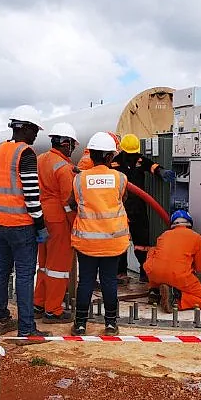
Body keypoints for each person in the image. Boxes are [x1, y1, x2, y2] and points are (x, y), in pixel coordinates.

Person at [0, 105, 49, 337]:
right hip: (22, 224)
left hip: (1, 221)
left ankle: (1, 315)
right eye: (35, 130)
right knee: (25, 275)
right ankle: (26, 329)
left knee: (2, 269)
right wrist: (41, 224)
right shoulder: (25, 154)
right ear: (25, 128)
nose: (35, 136)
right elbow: (32, 195)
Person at [68, 132, 129, 336]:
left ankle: (80, 325)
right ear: (111, 157)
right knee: (109, 281)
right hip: (113, 241)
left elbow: (72, 202)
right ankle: (110, 325)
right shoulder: (120, 178)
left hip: (87, 241)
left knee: (85, 281)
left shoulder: (79, 179)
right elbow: (123, 198)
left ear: (91, 155)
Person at [110, 133, 175, 283]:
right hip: (121, 207)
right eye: (130, 154)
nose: (134, 156)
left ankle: (144, 271)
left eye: (135, 153)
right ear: (123, 151)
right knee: (121, 240)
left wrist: (161, 171)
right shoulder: (115, 163)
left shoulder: (140, 160)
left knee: (142, 243)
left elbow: (151, 165)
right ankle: (121, 273)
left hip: (139, 207)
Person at [33, 122, 78, 324]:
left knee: (43, 264)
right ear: (65, 143)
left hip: (41, 218)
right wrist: (75, 226)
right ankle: (53, 310)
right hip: (59, 220)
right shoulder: (64, 168)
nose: (73, 149)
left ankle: (39, 303)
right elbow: (68, 202)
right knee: (58, 268)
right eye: (72, 145)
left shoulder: (40, 159)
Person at [144, 210, 201, 312]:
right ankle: (175, 298)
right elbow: (200, 268)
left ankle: (154, 291)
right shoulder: (196, 237)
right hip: (179, 276)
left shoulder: (164, 235)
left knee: (153, 253)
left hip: (154, 274)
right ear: (189, 223)